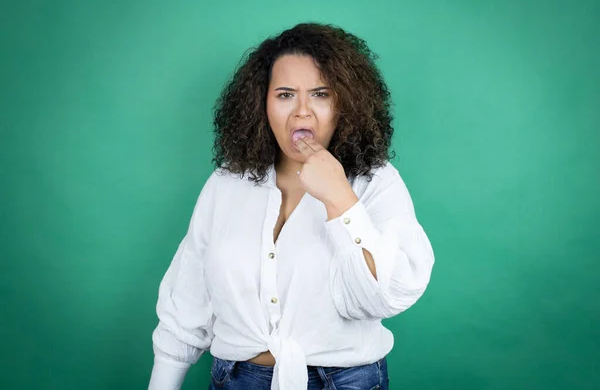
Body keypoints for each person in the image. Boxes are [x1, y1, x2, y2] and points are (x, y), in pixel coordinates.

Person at [148, 22, 434, 390]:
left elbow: (383, 297)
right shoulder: (226, 183)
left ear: (345, 103)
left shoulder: (376, 182)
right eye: (285, 94)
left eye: (320, 94)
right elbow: (189, 298)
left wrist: (340, 199)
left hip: (345, 381)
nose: (302, 112)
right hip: (235, 380)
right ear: (261, 103)